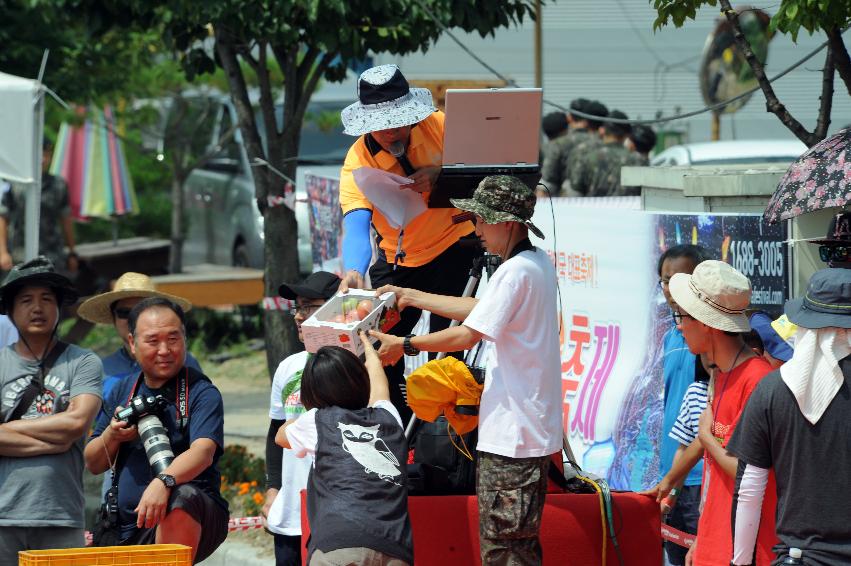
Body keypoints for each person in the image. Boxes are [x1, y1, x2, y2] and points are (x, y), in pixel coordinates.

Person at [370, 175, 562, 565]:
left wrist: (404, 345)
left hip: (514, 437)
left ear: (507, 223)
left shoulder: (515, 272)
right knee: (514, 547)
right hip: (523, 431)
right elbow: (479, 308)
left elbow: (465, 336)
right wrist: (409, 296)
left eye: (481, 219)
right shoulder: (533, 262)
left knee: (505, 549)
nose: (476, 229)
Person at [338, 64, 479, 421]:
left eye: (399, 120)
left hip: (455, 247)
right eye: (382, 125)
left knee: (446, 349)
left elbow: (480, 173)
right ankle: (395, 428)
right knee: (378, 347)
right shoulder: (358, 159)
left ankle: (445, 439)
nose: (392, 132)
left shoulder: (442, 126)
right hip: (399, 260)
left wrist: (441, 176)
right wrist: (354, 270)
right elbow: (357, 223)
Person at [644, 260, 777, 565]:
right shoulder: (720, 374)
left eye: (682, 316)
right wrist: (702, 538)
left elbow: (751, 474)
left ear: (706, 323)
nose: (678, 325)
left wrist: (705, 436)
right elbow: (714, 461)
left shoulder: (757, 381)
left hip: (744, 552)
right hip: (715, 543)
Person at [84, 298, 228, 564]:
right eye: (153, 341)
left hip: (190, 511)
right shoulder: (122, 390)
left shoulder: (200, 392)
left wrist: (164, 482)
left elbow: (203, 452)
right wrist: (112, 436)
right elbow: (93, 462)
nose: (165, 350)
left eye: (173, 339)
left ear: (185, 339)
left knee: (182, 497)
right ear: (132, 343)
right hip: (126, 526)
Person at [728, 269, 851, 565]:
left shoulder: (772, 390)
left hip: (800, 556)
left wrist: (740, 562)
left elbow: (749, 490)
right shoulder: (773, 388)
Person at [0, 257, 102, 563]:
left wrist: (6, 432)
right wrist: (56, 438)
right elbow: (66, 429)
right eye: (26, 300)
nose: (37, 308)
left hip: (62, 515)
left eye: (46, 299)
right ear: (10, 310)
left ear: (59, 308)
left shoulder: (83, 362)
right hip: (3, 517)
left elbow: (78, 423)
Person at [277, 336, 412, 566]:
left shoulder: (317, 420)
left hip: (338, 546)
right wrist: (369, 349)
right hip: (395, 548)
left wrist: (310, 406)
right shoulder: (389, 416)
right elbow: (380, 385)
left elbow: (281, 436)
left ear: (313, 393)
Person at [264, 271, 341, 566]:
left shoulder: (354, 368)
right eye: (297, 308)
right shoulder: (288, 367)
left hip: (334, 513)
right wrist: (273, 489)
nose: (298, 316)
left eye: (308, 307)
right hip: (289, 514)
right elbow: (275, 432)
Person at [656, 244, 709, 566]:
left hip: (701, 475)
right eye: (665, 280)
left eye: (681, 279)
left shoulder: (709, 334)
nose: (671, 288)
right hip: (671, 473)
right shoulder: (671, 337)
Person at [77, 272, 202, 400]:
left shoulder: (183, 363)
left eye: (141, 311)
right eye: (124, 313)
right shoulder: (101, 371)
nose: (133, 319)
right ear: (114, 319)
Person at [0, 140, 78, 275]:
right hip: (20, 256)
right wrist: (3, 252)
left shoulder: (58, 184)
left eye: (46, 154)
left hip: (53, 255)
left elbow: (66, 220)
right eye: (38, 154)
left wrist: (72, 252)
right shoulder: (14, 183)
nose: (42, 159)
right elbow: (2, 219)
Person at [568, 109, 645, 197]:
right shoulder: (639, 161)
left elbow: (575, 191)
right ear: (627, 134)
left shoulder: (588, 158)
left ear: (603, 130)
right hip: (627, 209)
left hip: (593, 209)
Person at [539, 98, 608, 196]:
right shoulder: (604, 144)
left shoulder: (558, 144)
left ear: (569, 118)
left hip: (566, 205)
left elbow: (545, 186)